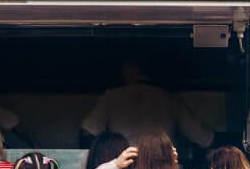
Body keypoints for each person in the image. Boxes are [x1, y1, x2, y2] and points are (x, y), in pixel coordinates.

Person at [81, 59, 213, 149]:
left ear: (131, 70)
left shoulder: (112, 96)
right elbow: (204, 138)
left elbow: (87, 132)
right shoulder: (169, 98)